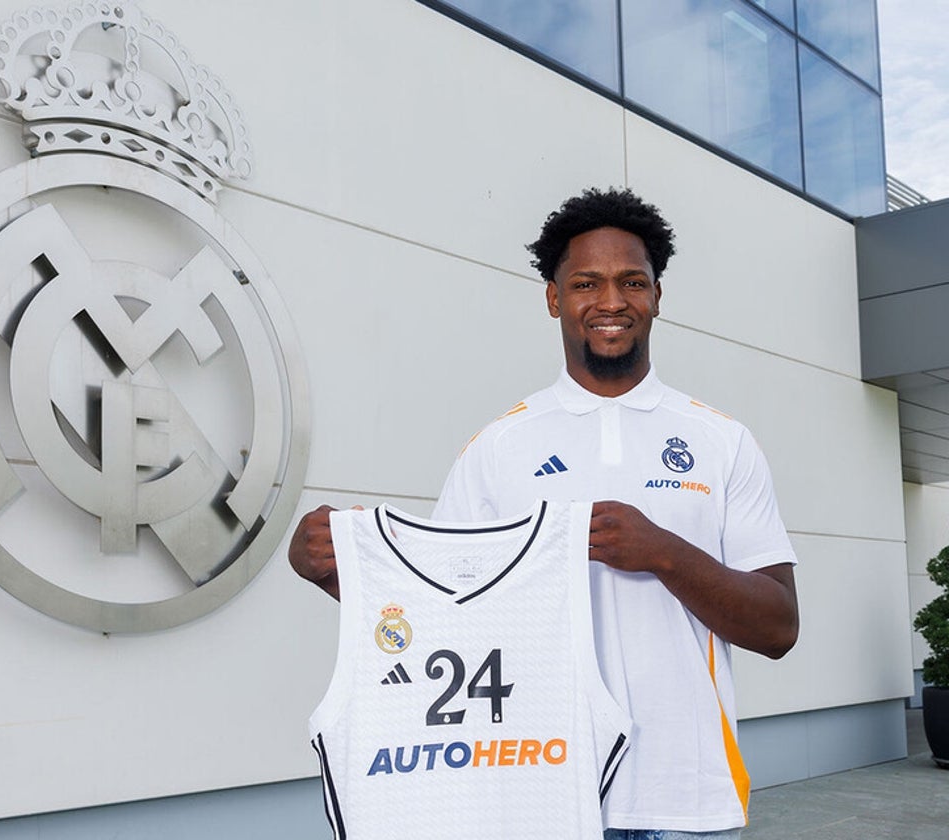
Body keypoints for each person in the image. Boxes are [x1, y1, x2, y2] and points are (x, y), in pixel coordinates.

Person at [289, 187, 800, 840]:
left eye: (631, 282)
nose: (611, 302)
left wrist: (664, 553)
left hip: (686, 802)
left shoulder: (722, 442)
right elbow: (443, 619)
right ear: (555, 298)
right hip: (542, 802)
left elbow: (779, 628)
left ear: (657, 296)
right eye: (586, 282)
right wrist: (337, 572)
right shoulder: (500, 448)